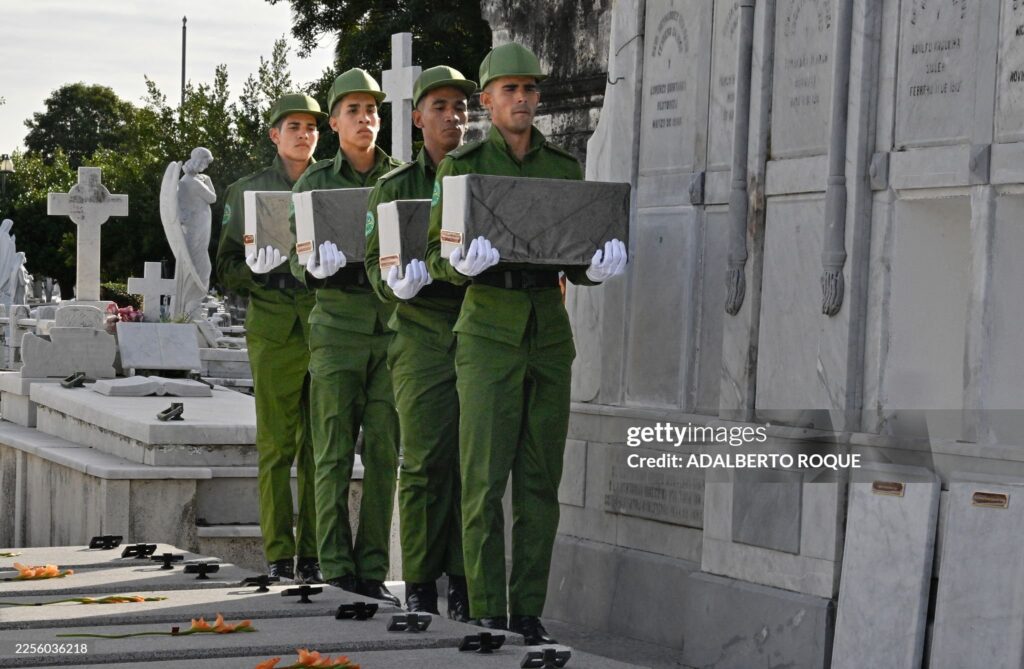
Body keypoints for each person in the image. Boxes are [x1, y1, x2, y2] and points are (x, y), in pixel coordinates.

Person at [425, 43, 627, 644]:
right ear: (485, 100)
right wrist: (461, 264)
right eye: (508, 89)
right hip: (487, 327)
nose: (521, 99)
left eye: (529, 89)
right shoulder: (459, 168)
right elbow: (437, 254)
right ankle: (486, 605)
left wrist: (598, 266)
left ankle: (528, 609)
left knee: (541, 481)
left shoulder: (563, 167)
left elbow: (576, 251)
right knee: (483, 478)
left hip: (546, 329)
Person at [363, 66, 477, 621]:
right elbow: (371, 261)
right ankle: (420, 580)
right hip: (419, 333)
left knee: (470, 463)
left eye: (460, 105)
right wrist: (394, 282)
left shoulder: (478, 175)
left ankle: (463, 580)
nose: (453, 115)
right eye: (440, 106)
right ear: (417, 117)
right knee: (425, 462)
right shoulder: (395, 186)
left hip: (478, 328)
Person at [288, 69, 403, 606]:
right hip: (336, 327)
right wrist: (312, 263)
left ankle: (374, 566)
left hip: (390, 328)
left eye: (372, 110)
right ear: (334, 122)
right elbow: (295, 257)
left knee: (385, 453)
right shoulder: (314, 183)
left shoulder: (402, 177)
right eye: (354, 110)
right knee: (332, 451)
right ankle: (334, 565)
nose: (365, 119)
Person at [214, 93, 326, 583]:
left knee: (323, 447)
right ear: (274, 134)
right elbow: (224, 264)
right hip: (275, 322)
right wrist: (254, 274)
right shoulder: (245, 191)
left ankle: (315, 553)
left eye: (311, 127)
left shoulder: (333, 182)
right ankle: (279, 553)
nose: (304, 134)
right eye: (294, 126)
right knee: (278, 446)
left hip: (326, 321)